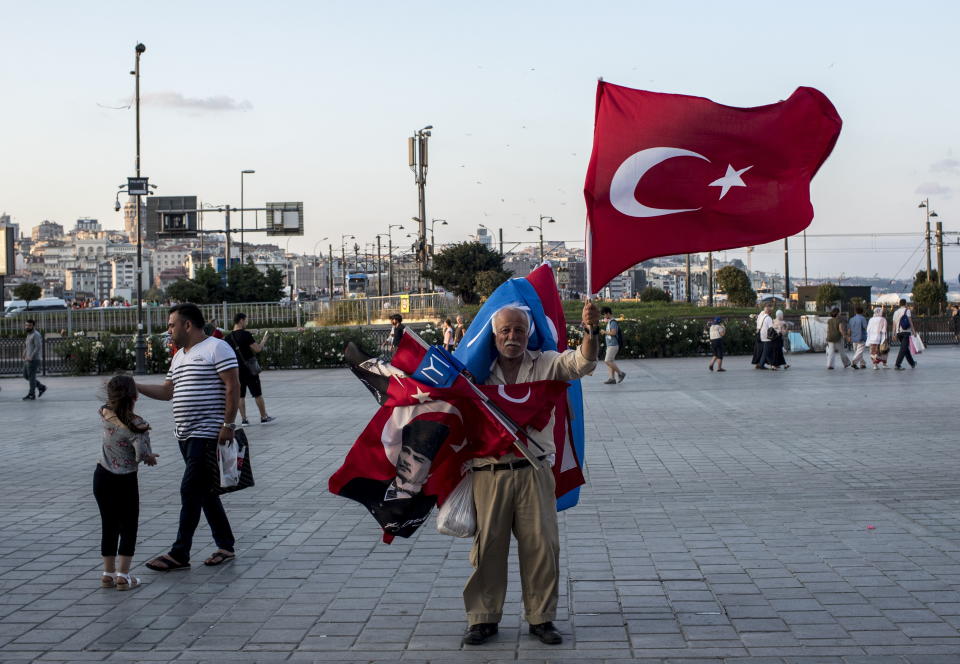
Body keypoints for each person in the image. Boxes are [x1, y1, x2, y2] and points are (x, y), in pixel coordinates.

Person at [462, 301, 599, 647]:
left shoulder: (546, 364)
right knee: (488, 549)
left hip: (534, 470)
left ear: (528, 333)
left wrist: (591, 331)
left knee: (542, 547)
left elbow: (581, 363)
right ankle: (483, 619)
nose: (512, 336)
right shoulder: (475, 371)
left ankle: (541, 618)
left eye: (519, 330)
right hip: (489, 473)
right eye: (506, 330)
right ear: (494, 336)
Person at [137, 303, 241, 571]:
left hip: (207, 433)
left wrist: (228, 424)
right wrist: (134, 385)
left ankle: (180, 553)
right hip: (184, 435)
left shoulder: (217, 348)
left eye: (172, 324)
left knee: (190, 490)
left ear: (188, 325)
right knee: (205, 492)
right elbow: (166, 391)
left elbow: (233, 386)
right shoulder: (179, 356)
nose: (168, 330)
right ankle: (225, 546)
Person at [94, 375, 159, 591]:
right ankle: (123, 575)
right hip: (125, 481)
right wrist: (150, 457)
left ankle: (107, 573)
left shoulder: (104, 412)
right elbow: (141, 455)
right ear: (135, 397)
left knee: (108, 524)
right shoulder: (138, 425)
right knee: (129, 525)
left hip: (102, 476)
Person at [225, 313, 275, 425]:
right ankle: (263, 417)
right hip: (249, 370)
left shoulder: (228, 338)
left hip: (237, 370)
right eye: (246, 320)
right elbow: (257, 349)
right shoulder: (246, 334)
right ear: (241, 321)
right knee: (257, 393)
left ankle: (244, 420)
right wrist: (263, 341)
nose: (247, 323)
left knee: (240, 395)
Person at [22, 319, 48, 400]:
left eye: (29, 325)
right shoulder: (29, 334)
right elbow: (28, 345)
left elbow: (38, 347)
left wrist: (31, 356)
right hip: (27, 358)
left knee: (31, 377)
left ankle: (31, 394)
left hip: (34, 359)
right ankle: (41, 387)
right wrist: (24, 352)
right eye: (26, 325)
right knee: (26, 376)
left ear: (33, 326)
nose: (27, 327)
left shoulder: (36, 334)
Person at [600, 306, 625, 383]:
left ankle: (620, 373)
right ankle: (612, 378)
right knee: (611, 361)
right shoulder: (610, 322)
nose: (604, 316)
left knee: (607, 361)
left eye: (604, 314)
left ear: (608, 313)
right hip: (610, 345)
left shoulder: (613, 322)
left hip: (613, 345)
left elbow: (613, 333)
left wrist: (604, 332)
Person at [892, 299, 917, 370]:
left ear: (899, 304)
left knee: (905, 348)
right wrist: (914, 332)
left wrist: (893, 334)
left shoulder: (896, 312)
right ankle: (897, 364)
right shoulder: (907, 310)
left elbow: (894, 324)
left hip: (898, 332)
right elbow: (910, 322)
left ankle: (912, 363)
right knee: (903, 349)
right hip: (906, 332)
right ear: (905, 304)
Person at [755, 303, 777, 370]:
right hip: (767, 336)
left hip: (762, 335)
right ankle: (761, 365)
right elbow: (771, 328)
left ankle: (773, 365)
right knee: (766, 352)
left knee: (767, 351)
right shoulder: (769, 318)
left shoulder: (762, 317)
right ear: (770, 312)